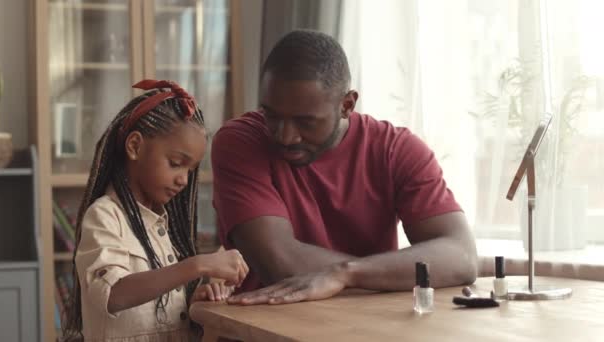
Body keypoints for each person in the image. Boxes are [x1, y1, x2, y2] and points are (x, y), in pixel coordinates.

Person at [211, 30, 478, 306]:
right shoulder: (240, 142)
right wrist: (394, 273)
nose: (285, 136)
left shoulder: (397, 151)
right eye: (272, 115)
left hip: (368, 324)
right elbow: (280, 263)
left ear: (347, 105)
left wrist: (345, 274)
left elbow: (462, 257)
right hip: (265, 328)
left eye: (305, 122)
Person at [64, 80, 249, 341]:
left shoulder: (169, 227)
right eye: (176, 163)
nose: (184, 180)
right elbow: (113, 294)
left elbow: (161, 314)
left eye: (190, 170)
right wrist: (197, 266)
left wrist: (194, 299)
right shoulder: (105, 216)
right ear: (135, 146)